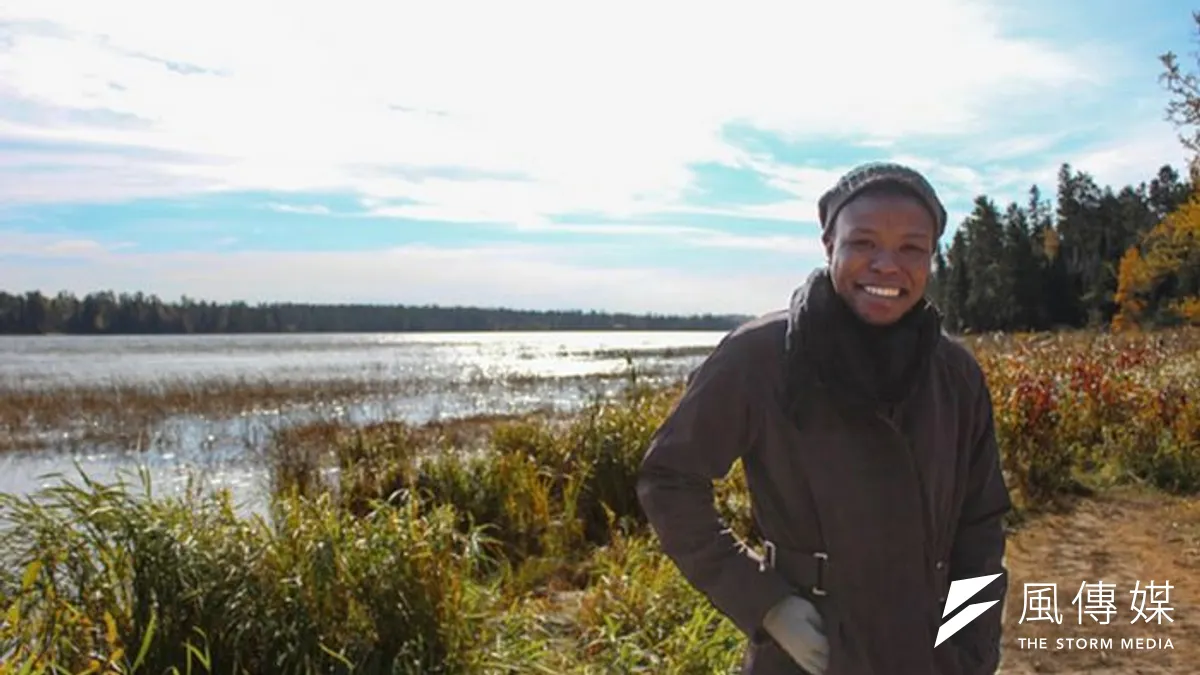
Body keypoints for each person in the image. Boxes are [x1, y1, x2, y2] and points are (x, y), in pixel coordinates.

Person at [636, 162, 1013, 674]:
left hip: (927, 654)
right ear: (829, 243)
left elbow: (980, 528)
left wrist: (969, 653)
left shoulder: (955, 374)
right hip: (809, 656)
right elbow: (669, 480)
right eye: (863, 243)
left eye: (911, 248)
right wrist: (767, 603)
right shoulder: (761, 357)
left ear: (931, 258)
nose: (886, 265)